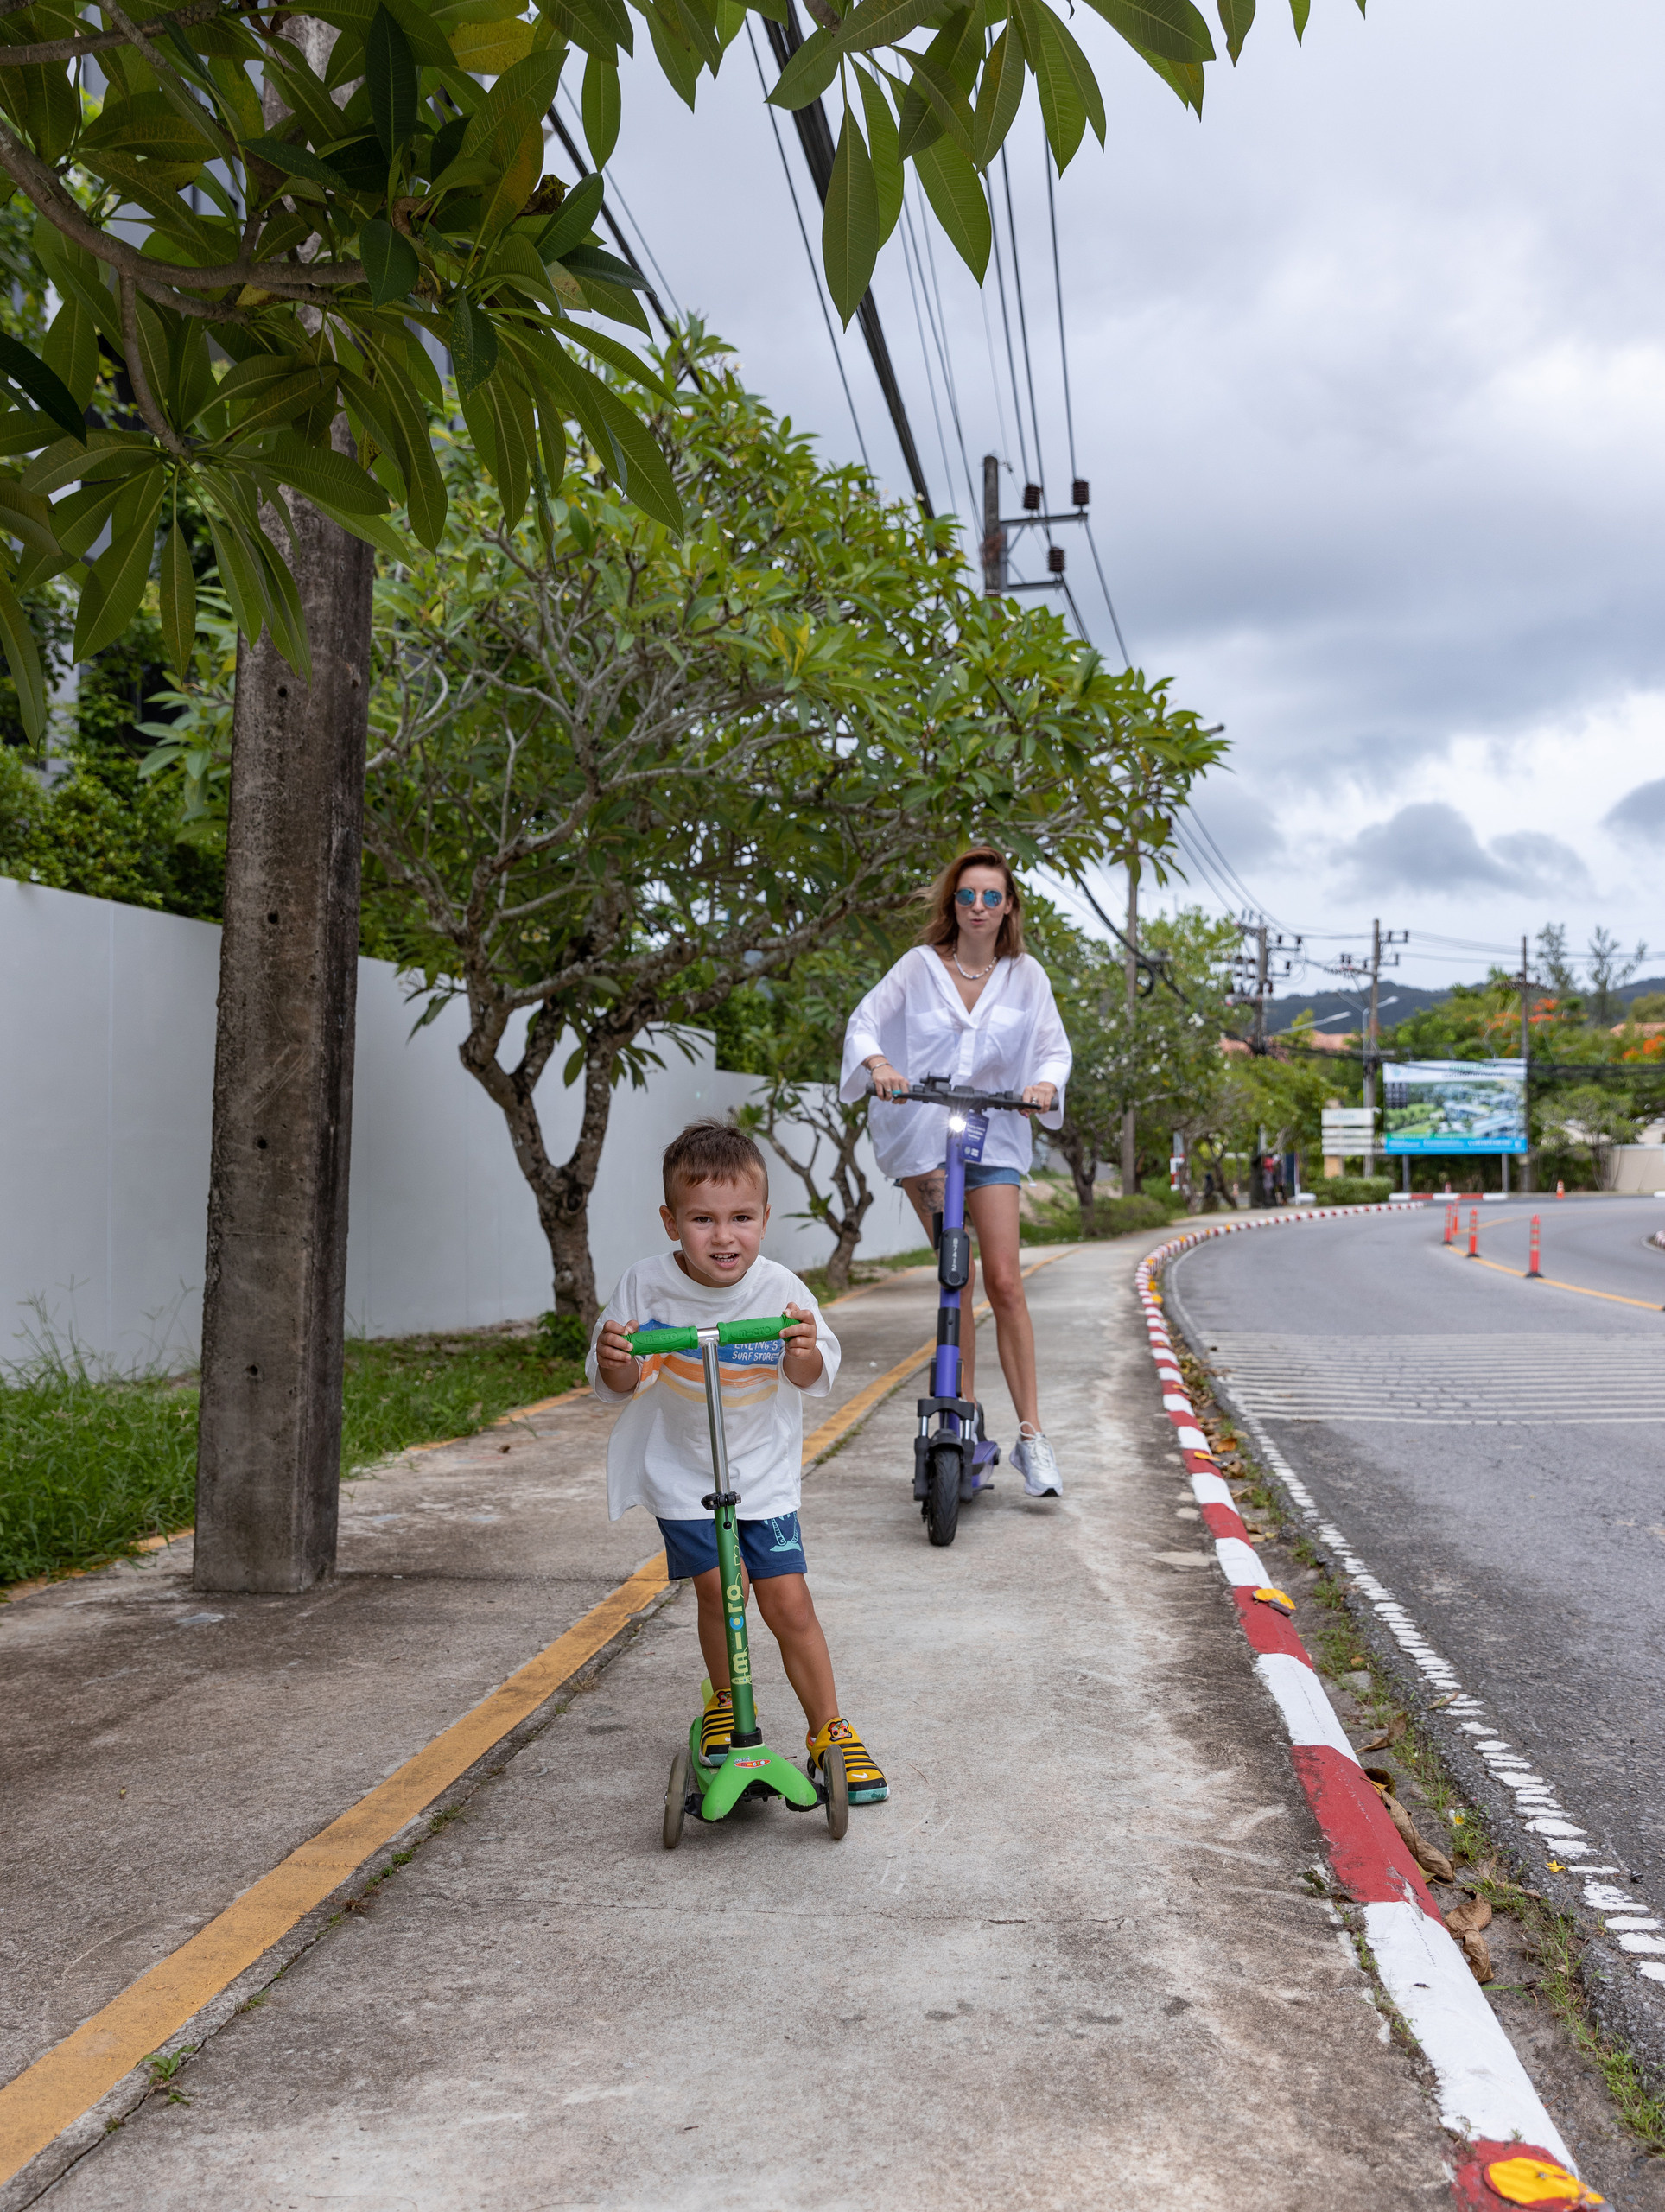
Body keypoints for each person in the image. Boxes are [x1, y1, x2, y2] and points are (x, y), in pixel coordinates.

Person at [588, 1119, 887, 1802]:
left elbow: (813, 1375)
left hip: (762, 1475)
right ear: (671, 1222)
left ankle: (828, 1730)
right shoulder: (646, 1286)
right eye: (702, 1219)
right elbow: (616, 1387)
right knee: (720, 1592)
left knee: (787, 1602)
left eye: (741, 1218)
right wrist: (614, 1362)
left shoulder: (781, 1289)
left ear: (764, 1218)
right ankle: (726, 1700)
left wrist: (802, 1347)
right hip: (683, 1474)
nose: (724, 1236)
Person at [840, 847, 1071, 1497]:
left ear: (1007, 909)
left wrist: (1044, 1085)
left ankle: (1032, 1437)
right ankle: (960, 1419)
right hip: (926, 1136)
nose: (977, 907)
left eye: (990, 897)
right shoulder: (917, 968)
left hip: (994, 1130)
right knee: (955, 1278)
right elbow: (865, 1023)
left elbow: (1053, 1049)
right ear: (952, 903)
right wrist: (880, 1065)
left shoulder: (1026, 976)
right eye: (966, 895)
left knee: (1002, 1280)